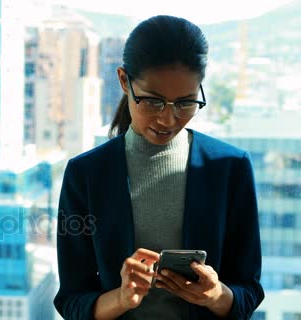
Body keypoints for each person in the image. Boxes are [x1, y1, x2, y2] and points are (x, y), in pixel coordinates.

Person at [53, 15, 264, 319]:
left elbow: (249, 290)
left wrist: (216, 295)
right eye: (152, 102)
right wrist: (122, 298)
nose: (168, 119)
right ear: (124, 81)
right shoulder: (85, 175)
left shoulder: (230, 168)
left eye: (186, 103)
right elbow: (73, 300)